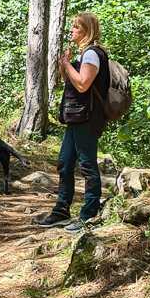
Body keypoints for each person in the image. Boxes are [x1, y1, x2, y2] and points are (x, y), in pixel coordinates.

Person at [37, 13, 109, 234]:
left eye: (76, 27)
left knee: (87, 165)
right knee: (65, 163)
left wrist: (68, 64)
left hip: (87, 119)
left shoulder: (92, 55)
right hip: (76, 118)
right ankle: (62, 210)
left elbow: (83, 85)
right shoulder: (84, 55)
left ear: (86, 31)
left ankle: (89, 214)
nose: (71, 31)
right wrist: (65, 65)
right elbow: (72, 82)